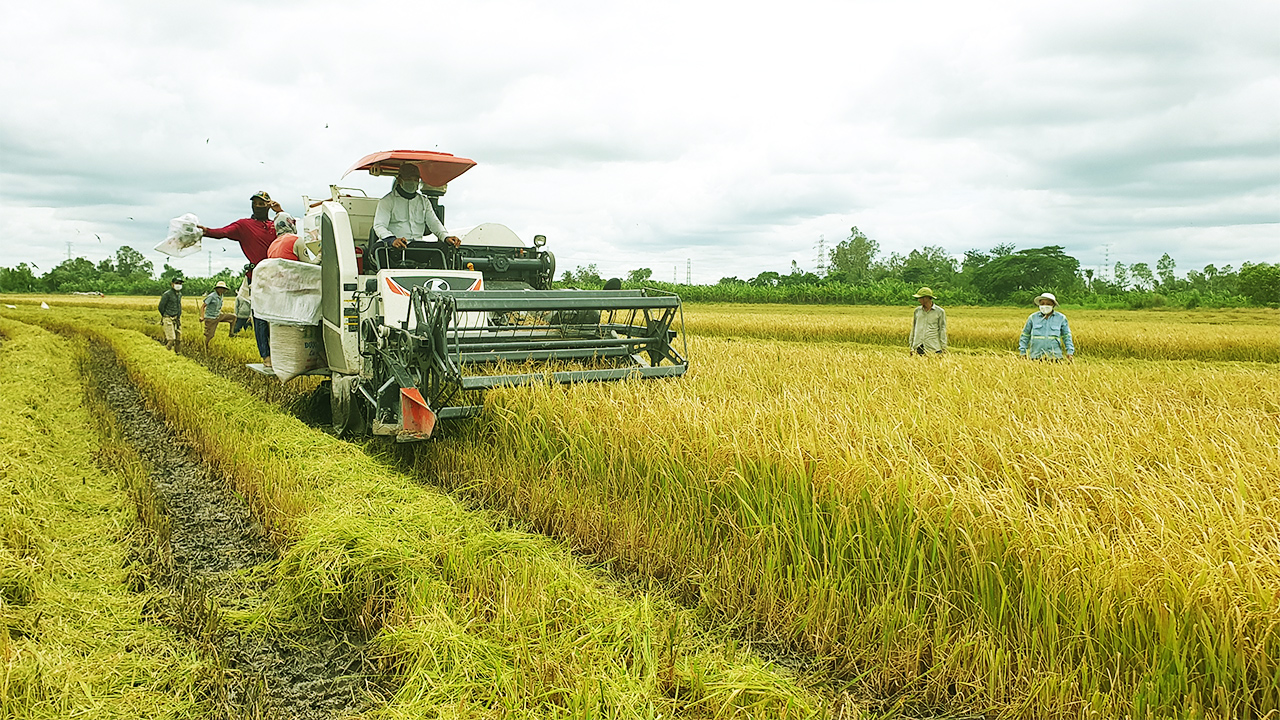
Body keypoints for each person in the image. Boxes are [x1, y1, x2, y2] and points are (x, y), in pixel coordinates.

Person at [197, 191, 281, 366]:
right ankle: (266, 356)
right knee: (260, 316)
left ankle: (280, 351)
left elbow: (289, 230)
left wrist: (280, 211)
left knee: (278, 316)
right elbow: (224, 232)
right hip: (257, 277)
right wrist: (207, 232)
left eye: (261, 203)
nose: (257, 206)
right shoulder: (244, 225)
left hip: (278, 276)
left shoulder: (275, 225)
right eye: (255, 203)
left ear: (268, 204)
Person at [371, 164, 459, 268]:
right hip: (393, 248)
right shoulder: (387, 201)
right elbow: (379, 226)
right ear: (400, 180)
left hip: (416, 246)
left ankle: (434, 280)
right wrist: (392, 240)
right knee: (378, 249)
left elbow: (434, 223)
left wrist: (446, 237)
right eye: (409, 178)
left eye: (415, 179)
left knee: (442, 248)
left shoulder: (424, 202)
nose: (412, 182)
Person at [1020, 292, 1074, 362]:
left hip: (1055, 357)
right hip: (1035, 357)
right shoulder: (1032, 318)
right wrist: (1022, 352)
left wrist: (1070, 352)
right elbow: (1025, 336)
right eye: (1042, 303)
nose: (1045, 306)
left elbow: (1067, 336)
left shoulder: (1061, 318)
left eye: (1048, 304)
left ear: (1053, 305)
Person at [908, 287, 947, 355]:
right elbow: (914, 328)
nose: (918, 300)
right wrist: (911, 346)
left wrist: (943, 347)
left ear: (926, 298)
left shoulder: (939, 312)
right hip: (918, 346)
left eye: (920, 298)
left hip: (933, 347)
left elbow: (942, 329)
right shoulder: (917, 311)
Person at [201, 281, 236, 348]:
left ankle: (231, 333)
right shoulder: (211, 296)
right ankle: (205, 346)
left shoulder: (221, 296)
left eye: (223, 289)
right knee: (210, 335)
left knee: (233, 317)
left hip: (218, 315)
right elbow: (203, 306)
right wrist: (202, 316)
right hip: (211, 318)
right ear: (217, 289)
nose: (221, 290)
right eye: (220, 288)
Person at [158, 276, 183, 352]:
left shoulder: (179, 294)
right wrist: (165, 315)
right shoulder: (167, 294)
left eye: (180, 283)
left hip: (176, 318)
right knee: (171, 339)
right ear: (172, 284)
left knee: (178, 339)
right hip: (168, 317)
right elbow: (161, 307)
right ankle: (166, 353)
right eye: (177, 283)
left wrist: (178, 316)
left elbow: (179, 305)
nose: (178, 285)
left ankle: (177, 354)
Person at [230, 270, 252, 338]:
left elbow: (252, 307)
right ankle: (232, 335)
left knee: (248, 330)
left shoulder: (251, 298)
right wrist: (235, 315)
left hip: (247, 317)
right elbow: (236, 307)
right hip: (240, 316)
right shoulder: (239, 297)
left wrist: (251, 316)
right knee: (236, 329)